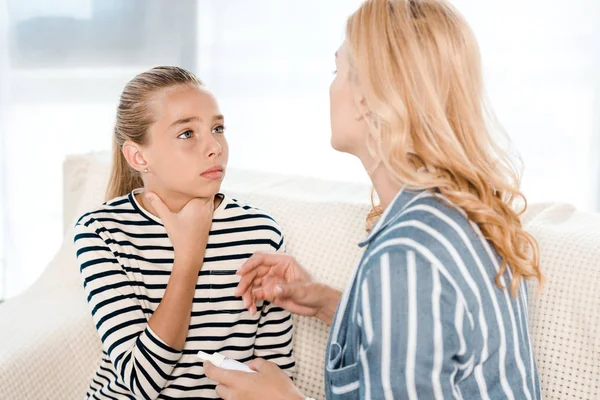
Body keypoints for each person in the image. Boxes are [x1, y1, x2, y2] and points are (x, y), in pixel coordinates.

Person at [203, 0, 544, 399]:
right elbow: (433, 344)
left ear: (370, 98)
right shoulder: (459, 214)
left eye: (338, 71)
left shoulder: (408, 257)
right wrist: (329, 304)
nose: (331, 87)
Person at [73, 66, 295, 400]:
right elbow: (140, 381)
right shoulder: (101, 233)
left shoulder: (260, 232)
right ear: (138, 156)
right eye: (187, 134)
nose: (215, 147)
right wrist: (189, 255)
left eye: (217, 128)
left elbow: (274, 378)